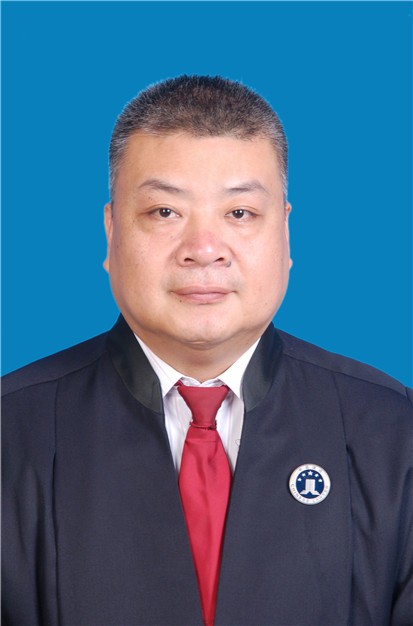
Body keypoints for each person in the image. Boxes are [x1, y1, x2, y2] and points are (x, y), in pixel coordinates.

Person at [2, 75, 412, 626]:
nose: (204, 250)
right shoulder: (12, 433)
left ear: (286, 233)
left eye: (239, 213)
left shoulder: (392, 432)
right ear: (111, 230)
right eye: (164, 213)